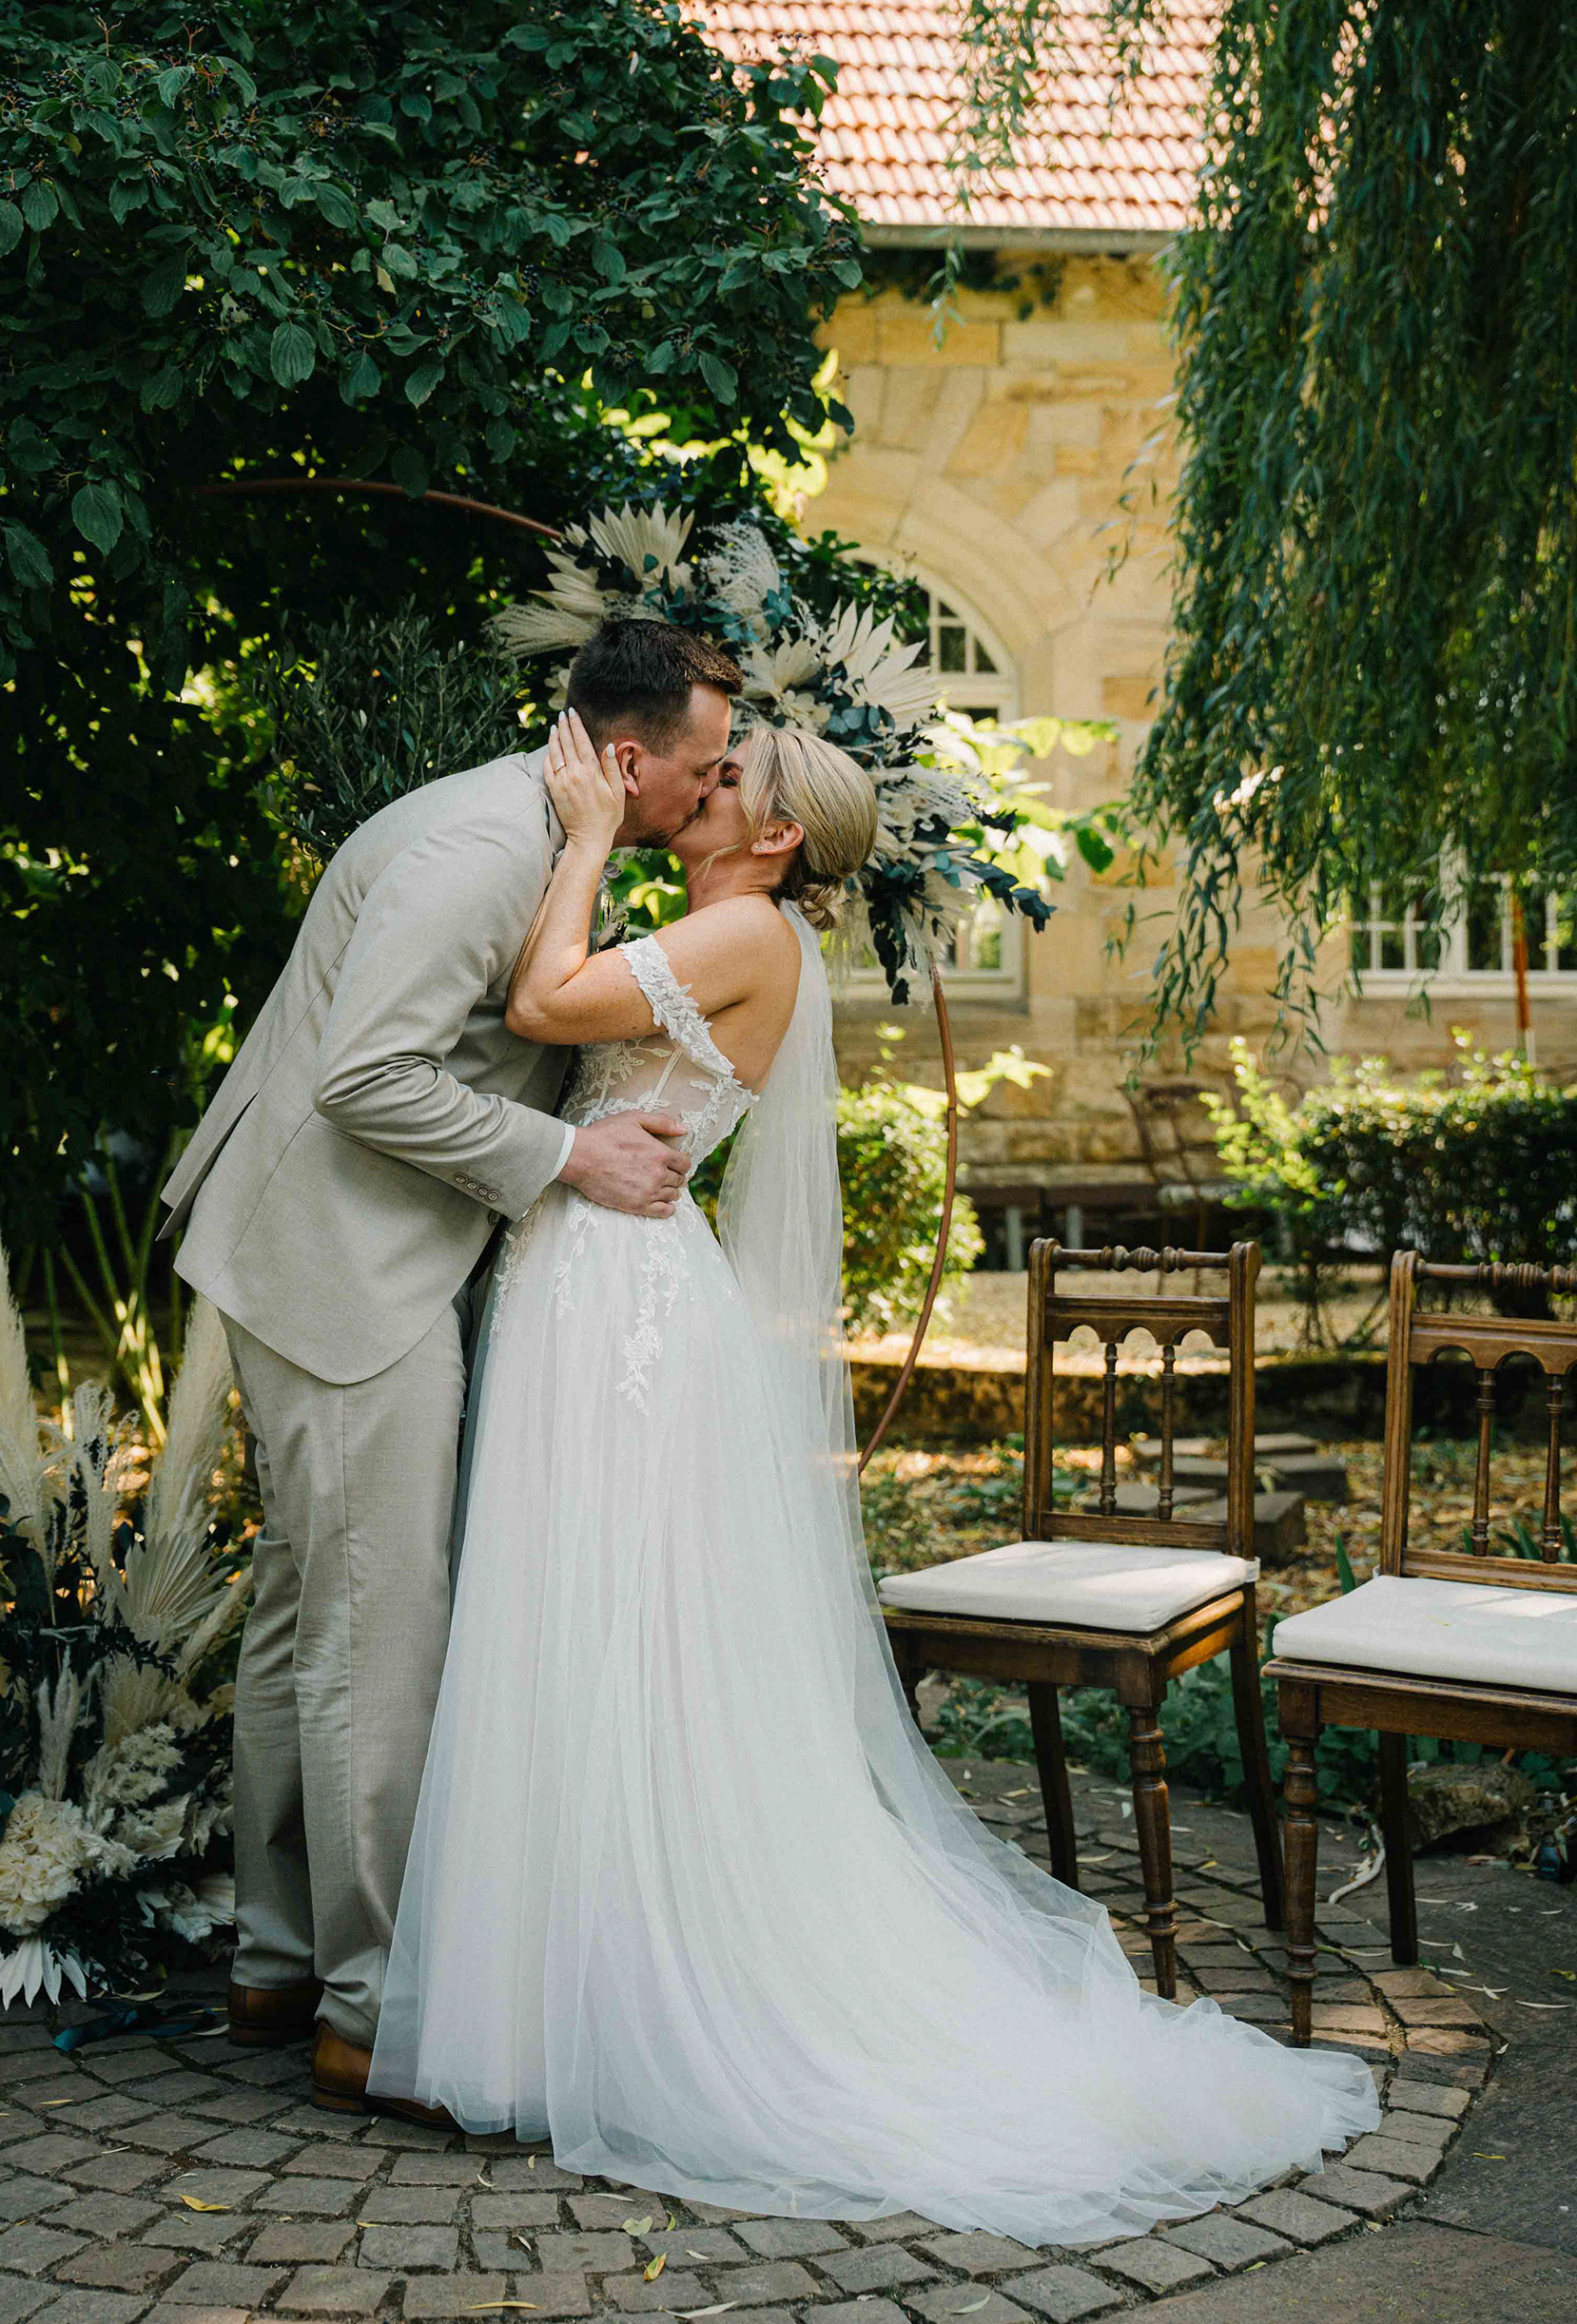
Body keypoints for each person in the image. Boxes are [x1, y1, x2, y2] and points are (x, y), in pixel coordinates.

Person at [368, 710, 1380, 2239]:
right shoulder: (736, 926)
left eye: (729, 780)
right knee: (576, 1621)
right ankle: (550, 1990)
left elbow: (540, 1000)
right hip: (596, 1281)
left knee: (610, 1618)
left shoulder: (746, 933)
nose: (701, 787)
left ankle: (609, 1997)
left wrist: (582, 833)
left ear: (777, 835)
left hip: (621, 1302)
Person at [158, 620, 741, 2112]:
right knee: (380, 1625)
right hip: (340, 1263)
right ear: (629, 761)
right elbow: (367, 1075)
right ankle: (373, 2007)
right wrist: (569, 1158)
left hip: (340, 1247)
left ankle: (279, 1959)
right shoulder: (482, 853)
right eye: (701, 770)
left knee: (306, 1608)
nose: (711, 793)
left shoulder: (542, 829)